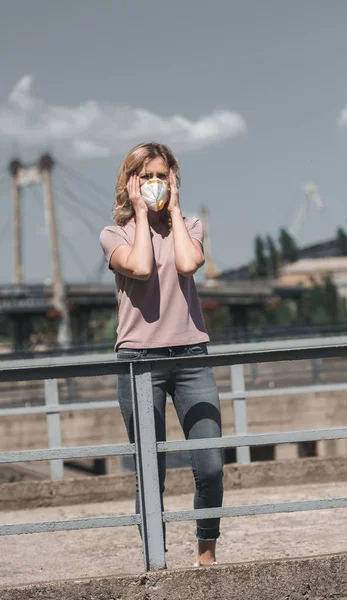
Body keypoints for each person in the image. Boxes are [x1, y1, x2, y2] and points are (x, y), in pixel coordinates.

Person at [99, 142, 223, 567]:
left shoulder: (190, 225)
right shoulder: (113, 234)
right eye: (146, 176)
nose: (155, 183)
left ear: (173, 179)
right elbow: (141, 268)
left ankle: (206, 554)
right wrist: (139, 214)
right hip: (138, 362)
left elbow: (188, 265)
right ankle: (158, 560)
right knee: (151, 471)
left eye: (162, 175)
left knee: (209, 464)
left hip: (191, 355)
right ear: (130, 182)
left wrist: (171, 211)